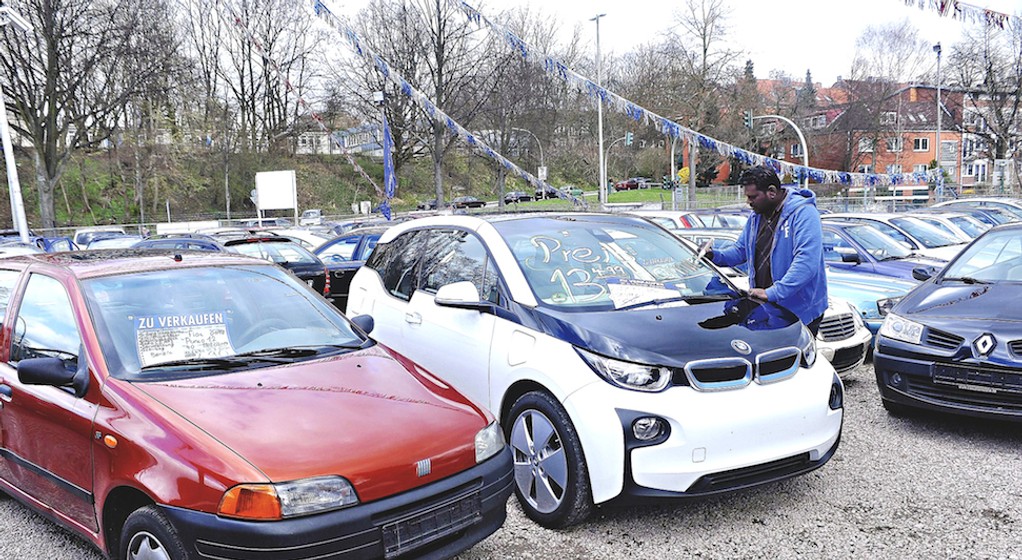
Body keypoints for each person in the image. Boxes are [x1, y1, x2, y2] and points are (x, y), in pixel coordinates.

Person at [704, 166, 828, 335]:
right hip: (768, 307)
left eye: (753, 197)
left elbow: (806, 263)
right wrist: (714, 255)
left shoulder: (804, 213)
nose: (749, 202)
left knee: (798, 360)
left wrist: (773, 293)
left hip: (799, 311)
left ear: (771, 192)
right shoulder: (756, 217)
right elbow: (741, 251)